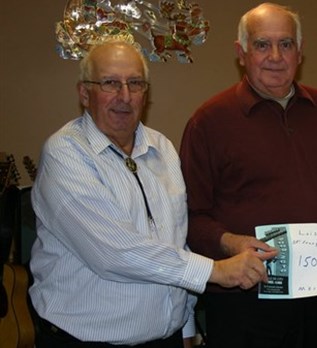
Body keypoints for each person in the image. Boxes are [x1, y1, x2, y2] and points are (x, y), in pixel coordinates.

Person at [28, 37, 277, 348]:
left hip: (165, 338)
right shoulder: (65, 154)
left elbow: (176, 239)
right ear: (84, 92)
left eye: (135, 83)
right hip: (84, 341)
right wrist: (215, 270)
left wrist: (185, 326)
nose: (125, 96)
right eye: (110, 83)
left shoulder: (161, 148)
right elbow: (115, 252)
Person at [179, 3, 317, 347]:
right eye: (262, 45)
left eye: (286, 44)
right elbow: (190, 217)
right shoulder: (210, 121)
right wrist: (232, 242)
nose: (275, 56)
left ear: (300, 52)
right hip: (242, 301)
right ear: (241, 53)